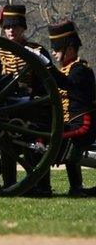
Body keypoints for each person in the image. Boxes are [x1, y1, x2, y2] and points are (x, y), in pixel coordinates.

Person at [0, 4, 52, 196]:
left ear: (23, 28)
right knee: (7, 147)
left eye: (15, 26)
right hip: (7, 107)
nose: (10, 30)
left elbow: (48, 81)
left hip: (32, 106)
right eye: (7, 27)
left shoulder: (36, 50)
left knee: (35, 147)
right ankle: (10, 184)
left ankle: (41, 186)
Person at [46, 21, 96, 197]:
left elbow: (66, 83)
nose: (53, 52)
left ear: (69, 48)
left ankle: (76, 188)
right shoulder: (66, 69)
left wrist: (47, 66)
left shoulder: (81, 69)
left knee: (56, 140)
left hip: (82, 124)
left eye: (56, 48)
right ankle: (74, 188)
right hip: (70, 123)